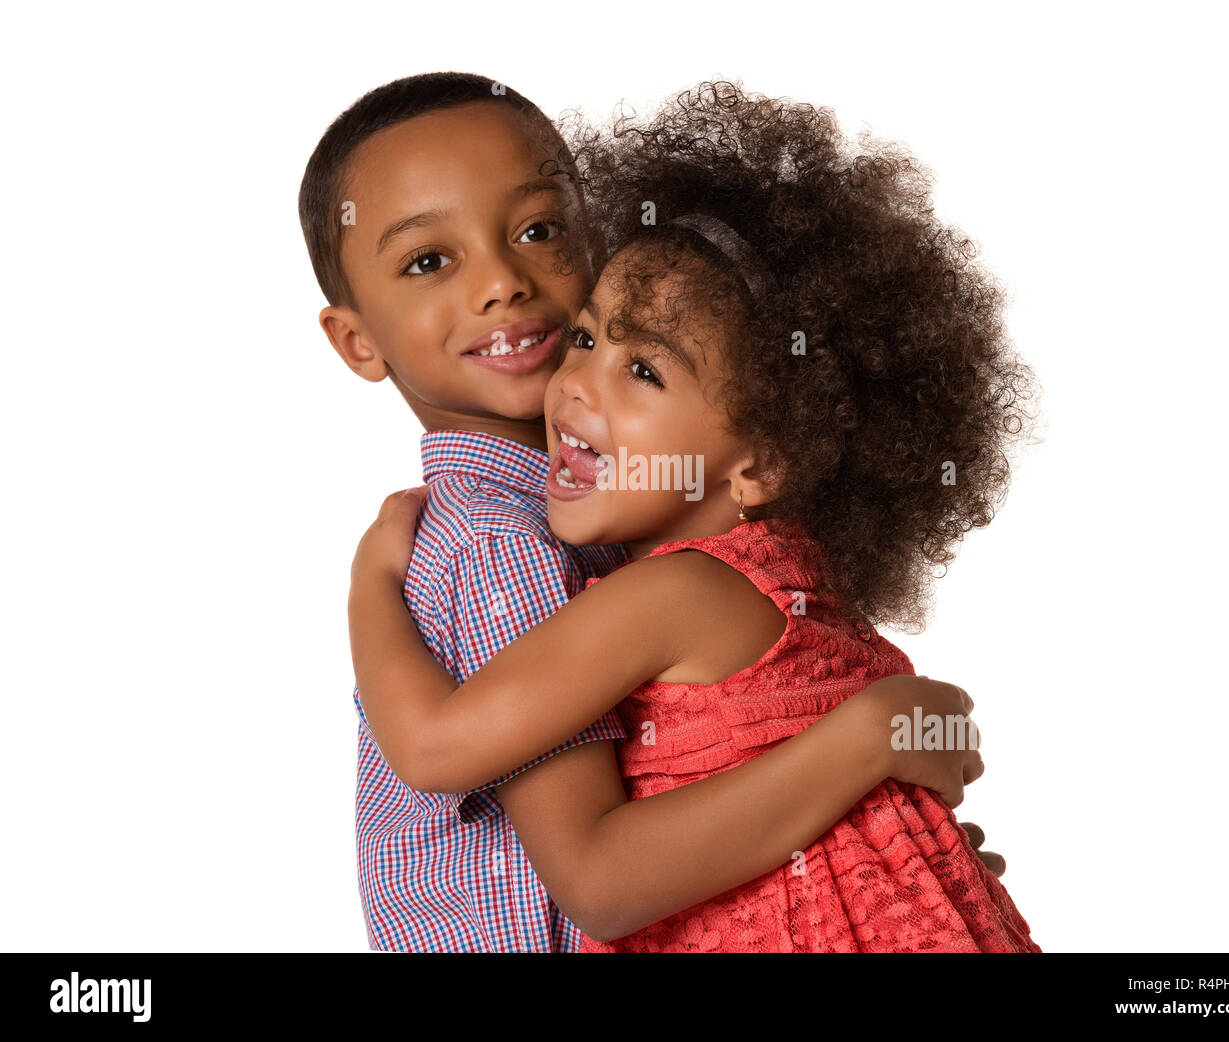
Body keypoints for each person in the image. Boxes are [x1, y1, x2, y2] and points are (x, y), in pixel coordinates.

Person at [302, 72, 999, 952]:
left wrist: (879, 854)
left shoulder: (641, 538)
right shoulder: (503, 543)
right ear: (356, 339)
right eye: (430, 260)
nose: (504, 283)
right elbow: (588, 870)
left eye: (539, 230)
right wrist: (866, 763)